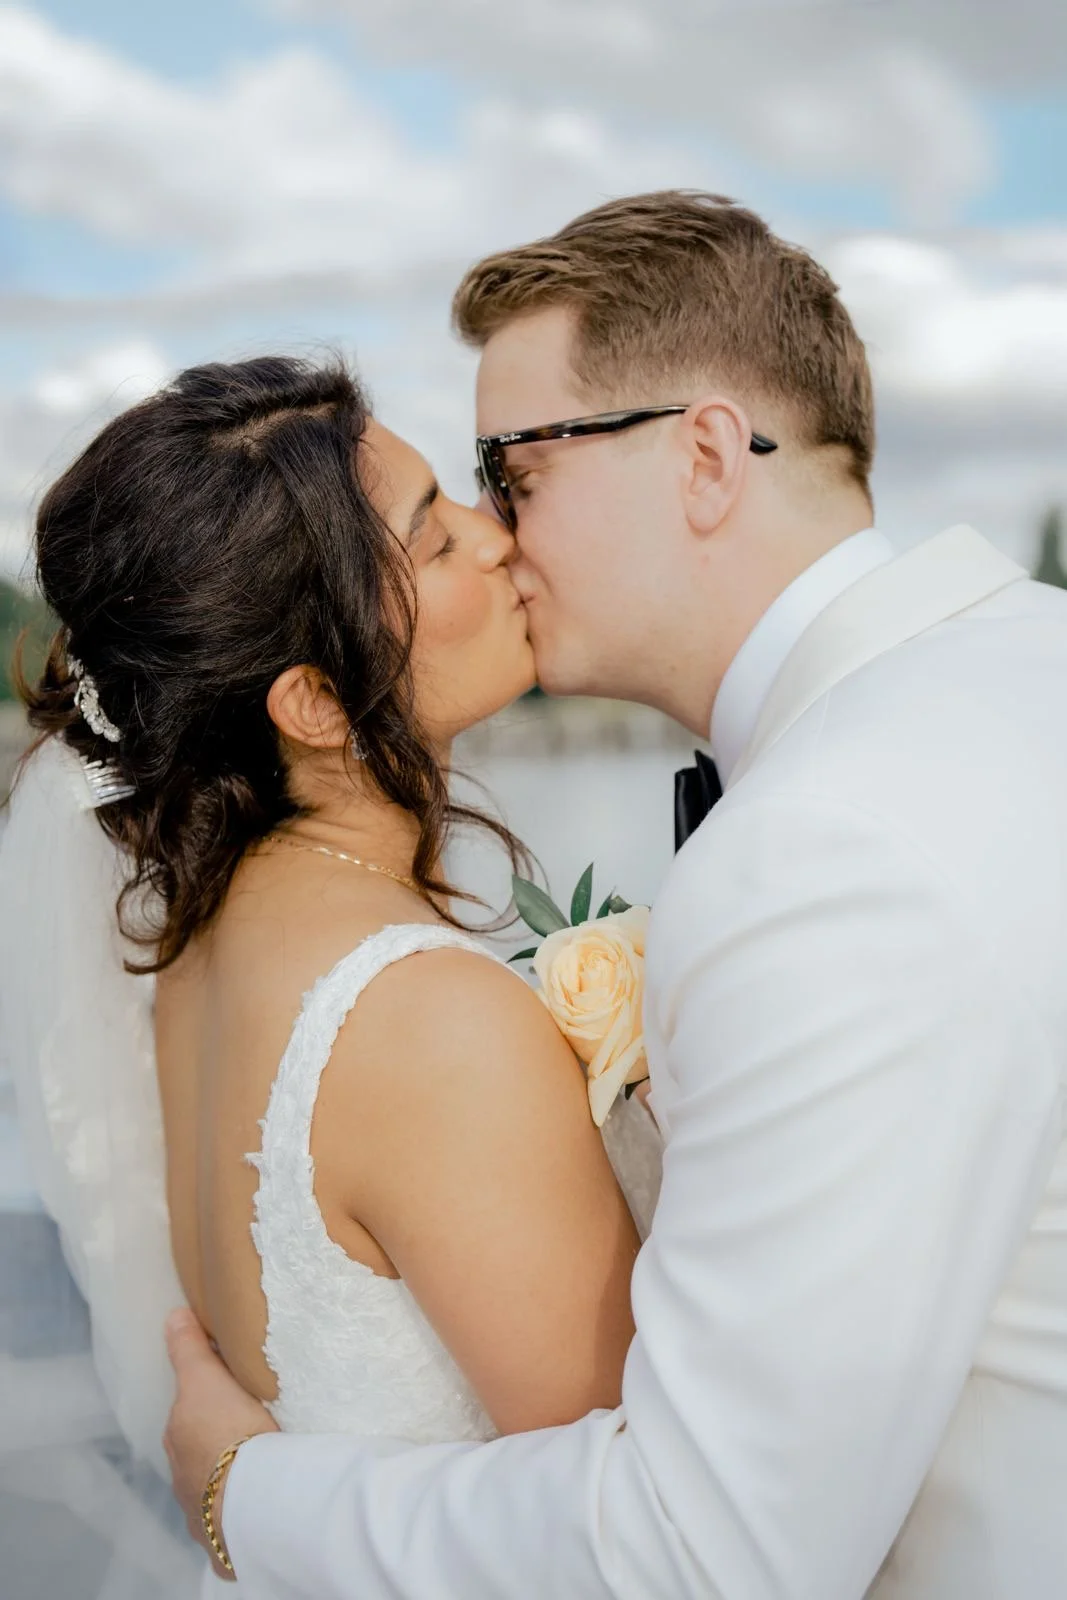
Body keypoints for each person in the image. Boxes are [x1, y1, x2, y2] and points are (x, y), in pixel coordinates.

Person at [165, 192, 1067, 1598]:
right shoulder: (1021, 667)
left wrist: (249, 1495)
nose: (493, 534)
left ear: (703, 456)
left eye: (510, 470)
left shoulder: (822, 851)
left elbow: (708, 1555)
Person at [0, 354, 647, 1597]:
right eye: (434, 537)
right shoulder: (427, 1020)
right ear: (312, 699)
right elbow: (637, 1516)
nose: (497, 531)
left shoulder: (197, 953)